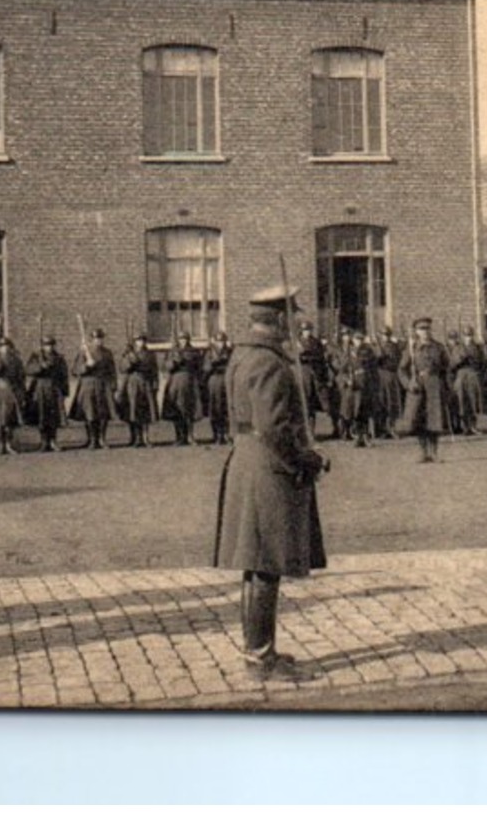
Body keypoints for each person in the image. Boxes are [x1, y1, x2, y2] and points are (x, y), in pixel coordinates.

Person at [212, 284, 327, 681]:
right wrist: (306, 458)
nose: (298, 320)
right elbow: (274, 427)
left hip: (251, 460)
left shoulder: (245, 356)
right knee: (265, 565)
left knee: (259, 565)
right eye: (292, 313)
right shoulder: (269, 363)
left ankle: (262, 652)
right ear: (278, 320)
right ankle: (260, 660)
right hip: (268, 469)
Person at [399, 318, 450, 463]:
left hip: (434, 386)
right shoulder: (411, 348)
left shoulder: (438, 347)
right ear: (416, 331)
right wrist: (409, 384)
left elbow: (446, 367)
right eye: (421, 329)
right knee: (418, 419)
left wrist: (446, 386)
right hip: (418, 387)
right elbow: (401, 369)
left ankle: (434, 452)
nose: (425, 332)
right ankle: (423, 452)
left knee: (434, 420)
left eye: (427, 329)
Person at [71, 327, 117, 449]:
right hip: (88, 385)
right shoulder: (84, 352)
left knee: (103, 413)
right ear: (91, 340)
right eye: (96, 338)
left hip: (103, 385)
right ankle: (91, 439)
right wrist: (86, 365)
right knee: (89, 412)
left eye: (101, 338)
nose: (99, 341)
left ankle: (102, 439)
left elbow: (112, 370)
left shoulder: (107, 353)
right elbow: (75, 370)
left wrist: (113, 384)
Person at [25, 336, 70, 452]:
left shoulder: (59, 358)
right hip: (40, 388)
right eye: (46, 345)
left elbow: (64, 375)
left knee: (54, 416)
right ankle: (44, 441)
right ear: (43, 346)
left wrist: (65, 391)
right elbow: (28, 370)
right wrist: (40, 366)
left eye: (51, 345)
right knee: (41, 414)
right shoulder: (36, 356)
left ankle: (53, 440)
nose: (49, 348)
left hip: (54, 388)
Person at [116, 335, 157, 447]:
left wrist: (155, 384)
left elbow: (153, 369)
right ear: (135, 342)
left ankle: (145, 437)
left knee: (145, 411)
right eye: (138, 341)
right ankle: (134, 437)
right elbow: (122, 368)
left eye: (143, 340)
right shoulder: (128, 353)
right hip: (132, 383)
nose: (141, 343)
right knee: (132, 410)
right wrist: (128, 357)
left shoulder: (149, 354)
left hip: (145, 383)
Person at [162, 333, 202, 446]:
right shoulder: (172, 352)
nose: (182, 341)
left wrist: (184, 358)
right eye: (180, 339)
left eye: (184, 339)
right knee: (176, 410)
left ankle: (190, 435)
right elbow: (165, 367)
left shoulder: (193, 351)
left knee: (189, 410)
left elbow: (198, 366)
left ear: (188, 340)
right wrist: (173, 361)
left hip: (189, 381)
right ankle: (179, 436)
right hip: (175, 382)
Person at [450, 326, 486, 436]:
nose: (468, 338)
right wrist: (460, 359)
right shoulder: (457, 348)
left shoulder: (477, 348)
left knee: (473, 400)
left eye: (470, 335)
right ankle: (465, 426)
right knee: (462, 401)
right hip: (461, 375)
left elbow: (481, 362)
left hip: (472, 374)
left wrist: (473, 359)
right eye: (466, 336)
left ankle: (473, 426)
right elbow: (452, 364)